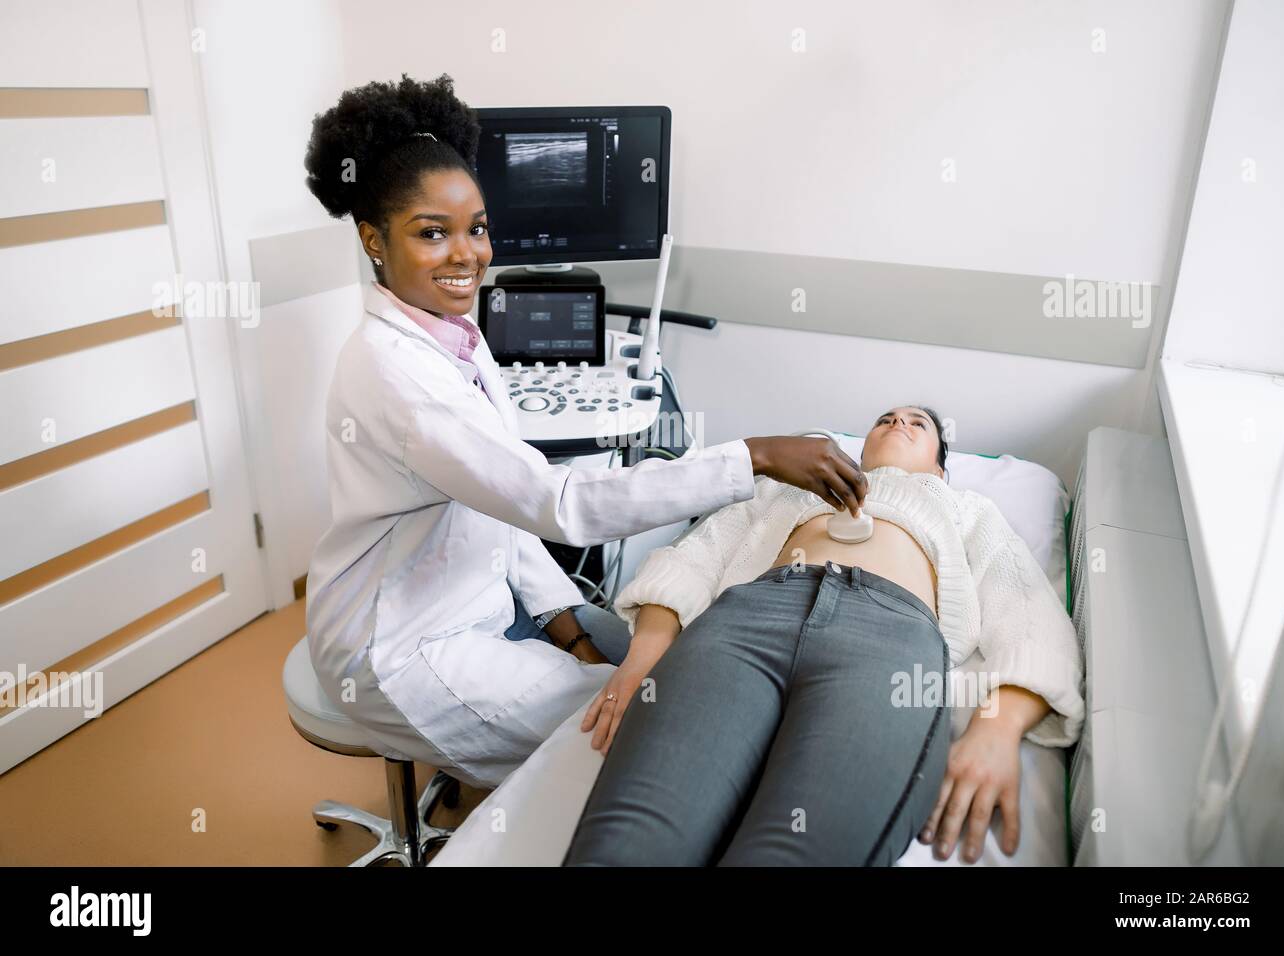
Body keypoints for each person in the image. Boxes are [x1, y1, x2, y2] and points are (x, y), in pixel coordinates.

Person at [300, 74, 868, 790]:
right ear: (373, 240)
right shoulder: (398, 376)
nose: (468, 254)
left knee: (640, 672)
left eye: (476, 228)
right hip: (400, 644)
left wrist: (565, 623)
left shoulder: (453, 333)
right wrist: (753, 456)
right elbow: (556, 504)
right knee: (633, 724)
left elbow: (498, 501)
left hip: (468, 598)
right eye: (431, 234)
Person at [563, 406, 1085, 865]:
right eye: (886, 418)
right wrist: (641, 662)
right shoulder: (787, 486)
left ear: (941, 468)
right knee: (631, 840)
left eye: (917, 422)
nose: (898, 422)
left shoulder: (969, 511)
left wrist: (996, 731)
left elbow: (1028, 613)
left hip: (887, 641)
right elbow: (692, 560)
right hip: (744, 622)